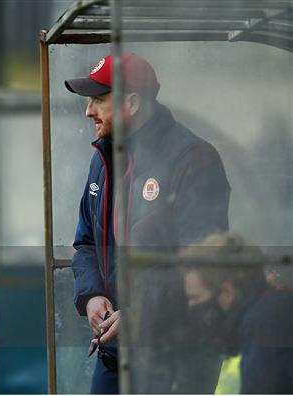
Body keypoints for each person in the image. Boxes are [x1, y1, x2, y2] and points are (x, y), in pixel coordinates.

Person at [65, 53, 231, 393]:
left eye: (98, 99)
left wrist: (138, 313)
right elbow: (85, 243)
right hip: (115, 353)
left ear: (132, 103)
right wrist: (92, 295)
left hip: (177, 356)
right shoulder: (102, 159)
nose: (88, 111)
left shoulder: (194, 160)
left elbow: (201, 261)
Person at [182, 233, 293, 394]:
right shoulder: (269, 311)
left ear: (227, 291)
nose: (190, 307)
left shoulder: (262, 324)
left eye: (195, 298)